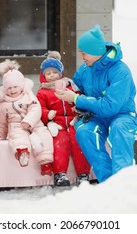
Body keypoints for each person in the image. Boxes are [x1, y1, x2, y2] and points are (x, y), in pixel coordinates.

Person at [55, 25, 137, 183]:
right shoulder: (86, 69)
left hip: (122, 114)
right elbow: (77, 88)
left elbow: (109, 106)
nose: (81, 56)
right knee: (84, 132)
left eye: (84, 52)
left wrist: (76, 99)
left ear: (95, 52)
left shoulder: (121, 71)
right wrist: (71, 94)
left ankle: (123, 181)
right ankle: (108, 182)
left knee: (120, 130)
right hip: (96, 116)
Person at [36, 51, 91, 186]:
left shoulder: (70, 86)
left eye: (55, 72)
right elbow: (39, 108)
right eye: (48, 73)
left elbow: (79, 98)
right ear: (43, 76)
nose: (52, 75)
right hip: (57, 124)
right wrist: (47, 114)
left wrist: (77, 107)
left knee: (78, 142)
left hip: (74, 121)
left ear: (61, 73)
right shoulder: (42, 92)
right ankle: (60, 174)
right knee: (60, 144)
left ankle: (83, 174)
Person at [0, 59, 54, 176]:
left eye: (15, 87)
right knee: (17, 136)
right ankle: (23, 152)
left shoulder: (28, 95)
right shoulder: (3, 104)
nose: (12, 90)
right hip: (17, 125)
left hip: (34, 123)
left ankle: (45, 163)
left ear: (21, 86)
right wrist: (0, 134)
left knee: (44, 135)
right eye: (9, 88)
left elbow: (36, 109)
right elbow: (1, 122)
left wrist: (29, 120)